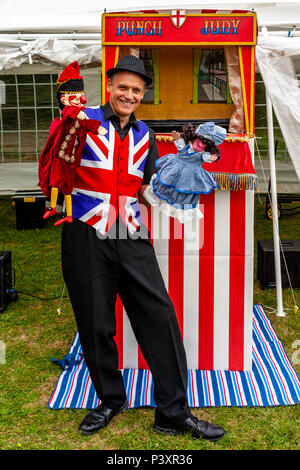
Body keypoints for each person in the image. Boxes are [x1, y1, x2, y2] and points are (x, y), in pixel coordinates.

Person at [61, 55, 226, 441]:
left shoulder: (146, 135)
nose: (129, 95)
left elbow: (150, 186)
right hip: (85, 231)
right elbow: (59, 160)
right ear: (109, 86)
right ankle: (110, 398)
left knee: (159, 316)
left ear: (142, 95)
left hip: (130, 232)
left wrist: (183, 179)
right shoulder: (82, 122)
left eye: (136, 90)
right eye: (123, 87)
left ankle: (172, 412)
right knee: (95, 322)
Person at [38, 61, 107, 226]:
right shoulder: (70, 114)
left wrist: (97, 128)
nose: (81, 99)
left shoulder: (80, 117)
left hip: (72, 160)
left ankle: (68, 214)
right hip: (59, 157)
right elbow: (70, 112)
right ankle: (53, 207)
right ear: (64, 98)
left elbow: (88, 124)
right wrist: (80, 114)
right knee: (55, 182)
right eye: (75, 96)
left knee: (68, 188)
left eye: (80, 95)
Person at [144, 122, 226, 223]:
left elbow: (205, 157)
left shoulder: (203, 154)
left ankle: (177, 207)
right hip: (175, 168)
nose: (200, 144)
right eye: (200, 140)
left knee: (184, 190)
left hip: (189, 175)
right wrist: (177, 138)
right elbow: (180, 146)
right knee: (167, 183)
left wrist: (210, 157)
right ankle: (162, 199)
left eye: (205, 144)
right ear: (194, 136)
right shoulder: (186, 145)